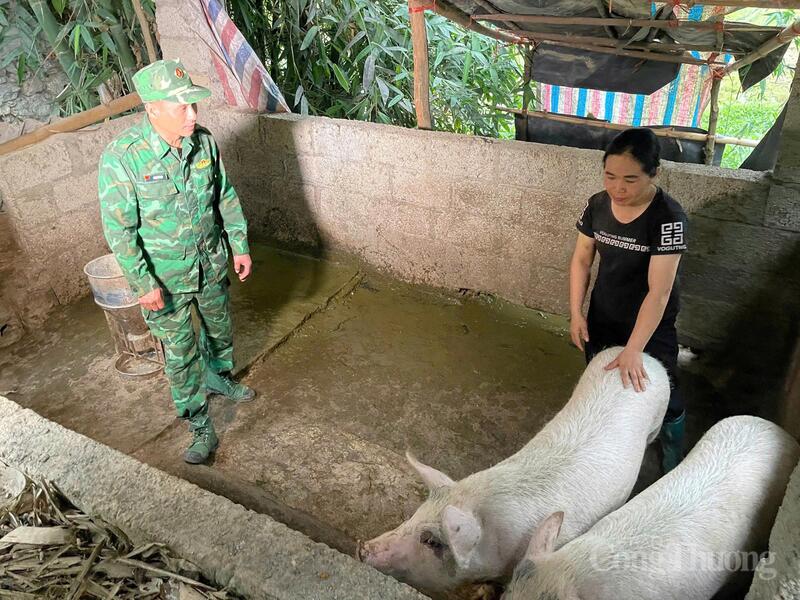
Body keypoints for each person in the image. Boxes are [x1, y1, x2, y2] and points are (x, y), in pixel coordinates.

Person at [98, 59, 255, 465]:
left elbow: (225, 196)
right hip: (164, 281)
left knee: (220, 330)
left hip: (210, 265)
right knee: (181, 355)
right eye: (182, 107)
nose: (193, 115)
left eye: (194, 106)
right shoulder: (124, 159)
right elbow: (120, 231)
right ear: (152, 109)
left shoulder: (203, 143)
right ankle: (199, 423)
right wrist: (142, 283)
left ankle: (219, 375)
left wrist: (239, 245)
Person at [569, 127, 688, 473]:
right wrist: (576, 313)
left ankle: (671, 450)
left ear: (654, 174)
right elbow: (581, 259)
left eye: (631, 180)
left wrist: (635, 348)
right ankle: (604, 441)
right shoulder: (597, 205)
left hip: (651, 324)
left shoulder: (668, 218)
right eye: (610, 176)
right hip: (604, 314)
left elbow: (660, 291)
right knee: (603, 384)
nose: (618, 188)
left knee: (664, 393)